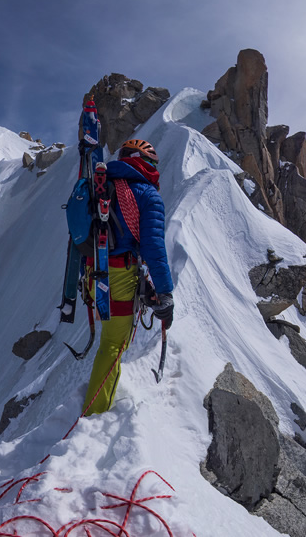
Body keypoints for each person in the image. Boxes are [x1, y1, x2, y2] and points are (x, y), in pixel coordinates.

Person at [83, 139, 174, 415]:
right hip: (118, 274)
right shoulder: (146, 194)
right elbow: (153, 248)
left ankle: (102, 401)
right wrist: (165, 292)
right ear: (145, 163)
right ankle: (95, 413)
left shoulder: (103, 184)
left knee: (110, 340)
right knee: (113, 343)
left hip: (93, 270)